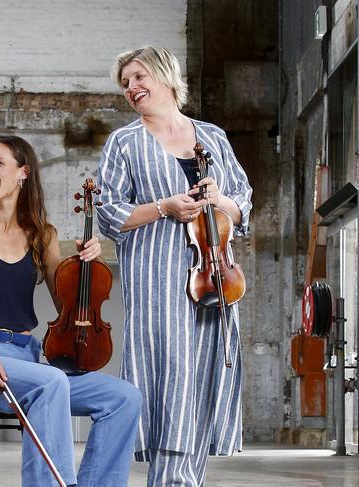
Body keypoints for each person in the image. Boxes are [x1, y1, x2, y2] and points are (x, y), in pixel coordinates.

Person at [0, 135, 142, 487]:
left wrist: (82, 264)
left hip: (28, 361)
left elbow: (66, 305)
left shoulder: (42, 236)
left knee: (124, 397)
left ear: (23, 172)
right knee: (49, 383)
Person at [96, 46, 253, 486]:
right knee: (170, 377)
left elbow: (242, 201)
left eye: (139, 77)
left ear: (166, 76)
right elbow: (110, 213)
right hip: (157, 279)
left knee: (205, 377)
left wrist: (219, 198)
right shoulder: (124, 143)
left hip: (215, 276)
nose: (131, 88)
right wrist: (163, 207)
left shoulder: (212, 137)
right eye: (125, 82)